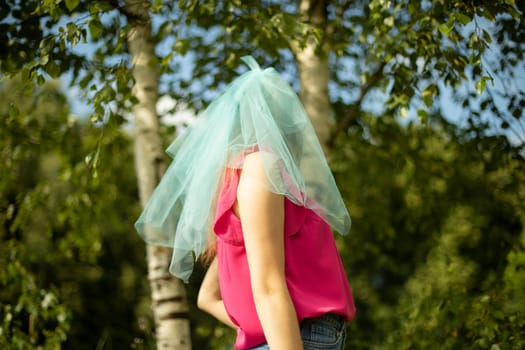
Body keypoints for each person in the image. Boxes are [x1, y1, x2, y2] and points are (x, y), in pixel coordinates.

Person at [135, 56, 355, 349]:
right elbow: (268, 287)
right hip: (298, 338)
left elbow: (208, 298)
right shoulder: (261, 168)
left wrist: (260, 329)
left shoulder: (242, 182)